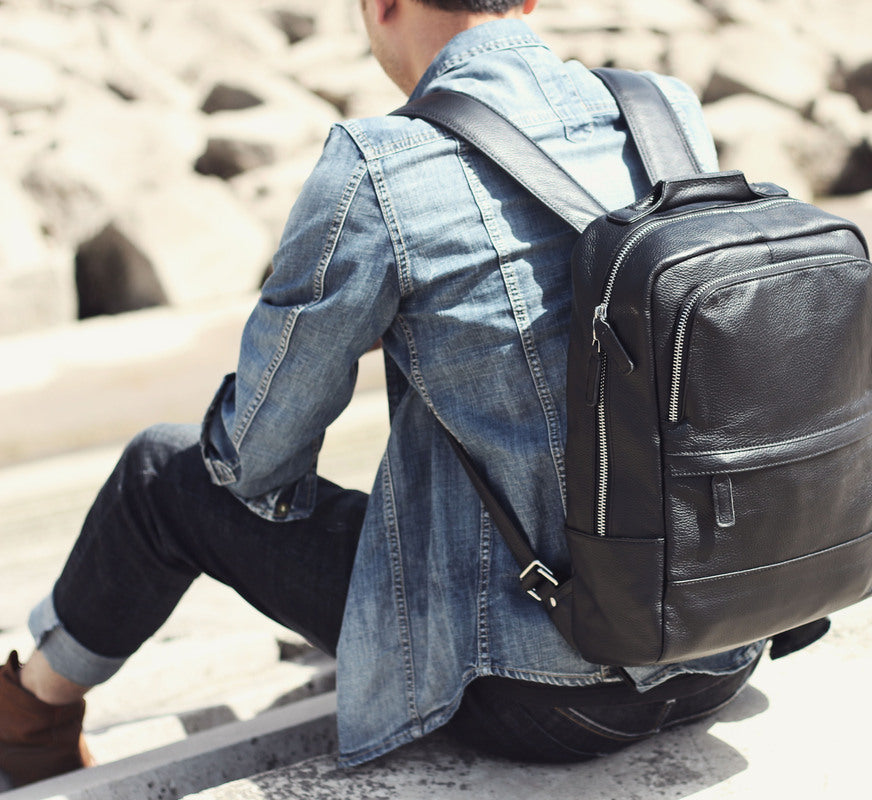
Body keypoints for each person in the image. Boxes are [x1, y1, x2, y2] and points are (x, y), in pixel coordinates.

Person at [0, 0, 764, 787]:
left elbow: (255, 459)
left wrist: (338, 334)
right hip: (725, 643)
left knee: (160, 475)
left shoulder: (382, 165)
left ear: (382, 4)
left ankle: (27, 718)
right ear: (528, 0)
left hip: (540, 698)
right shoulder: (661, 110)